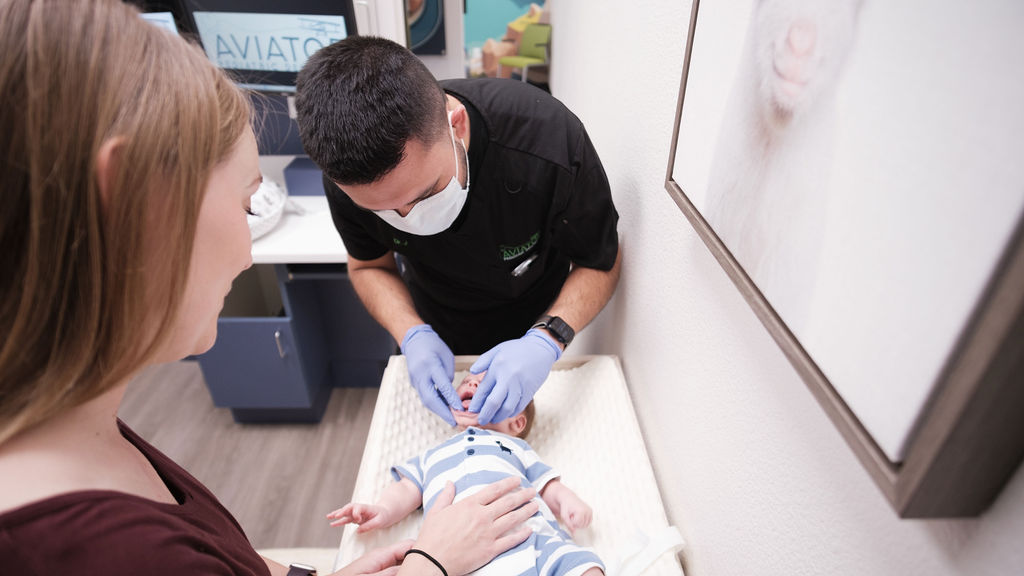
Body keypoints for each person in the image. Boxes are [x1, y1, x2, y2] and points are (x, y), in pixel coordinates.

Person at [0, 2, 539, 575]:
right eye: (246, 201)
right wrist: (430, 563)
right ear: (139, 204)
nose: (245, 251)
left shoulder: (76, 432)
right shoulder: (105, 549)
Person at [294, 37, 621, 429]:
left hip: (539, 318)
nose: (407, 218)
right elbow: (368, 267)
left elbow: (600, 260)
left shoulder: (547, 143)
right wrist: (411, 333)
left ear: (456, 124)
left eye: (426, 193)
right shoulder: (346, 177)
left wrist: (548, 339)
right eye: (382, 210)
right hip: (433, 321)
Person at [327, 373, 604, 576]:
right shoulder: (433, 454)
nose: (472, 384)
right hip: (459, 555)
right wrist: (382, 510)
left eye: (489, 386)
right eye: (467, 381)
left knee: (584, 565)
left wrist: (569, 503)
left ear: (516, 422)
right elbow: (407, 489)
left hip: (532, 539)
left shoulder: (515, 447)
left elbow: (548, 487)